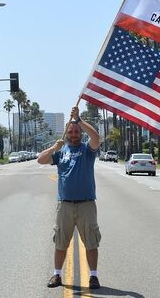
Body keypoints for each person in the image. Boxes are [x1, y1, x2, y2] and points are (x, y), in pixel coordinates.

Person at [37, 106, 101, 290]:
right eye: (71, 131)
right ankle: (57, 274)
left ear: (80, 133)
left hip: (86, 204)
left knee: (91, 241)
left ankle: (93, 277)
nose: (73, 134)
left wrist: (79, 120)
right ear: (66, 133)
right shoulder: (60, 151)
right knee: (60, 242)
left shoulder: (88, 150)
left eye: (76, 131)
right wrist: (53, 147)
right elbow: (41, 160)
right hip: (64, 205)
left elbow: (96, 137)